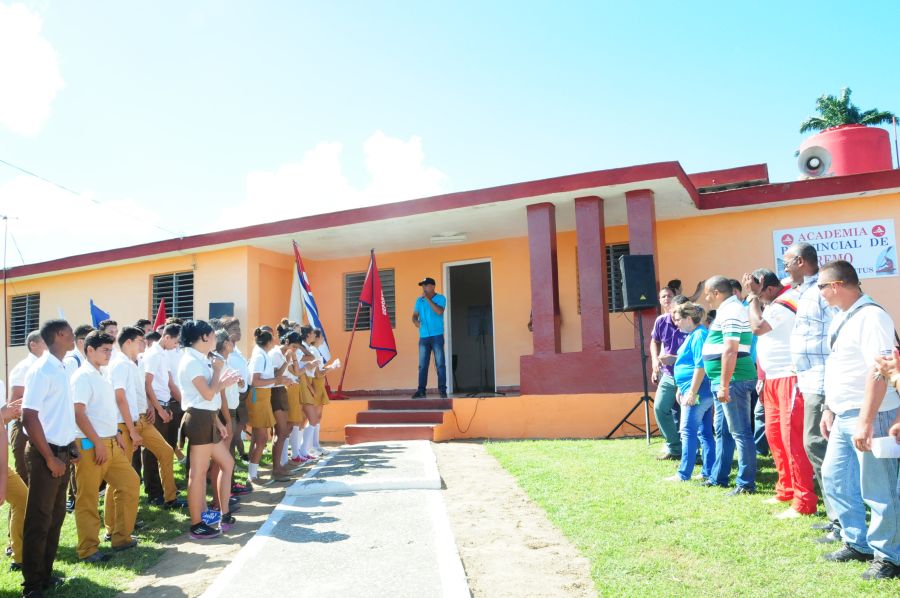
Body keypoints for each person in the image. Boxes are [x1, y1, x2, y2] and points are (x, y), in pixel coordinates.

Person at [817, 260, 900, 580]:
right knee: (835, 476)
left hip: (873, 414)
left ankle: (888, 554)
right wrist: (829, 407)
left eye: (822, 286)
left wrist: (865, 421)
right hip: (844, 412)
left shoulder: (872, 316)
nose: (820, 293)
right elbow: (840, 367)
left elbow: (879, 370)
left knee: (879, 488)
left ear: (836, 285)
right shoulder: (844, 317)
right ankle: (857, 541)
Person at [744, 269, 817, 519]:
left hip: (789, 377)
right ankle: (786, 488)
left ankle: (804, 500)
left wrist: (753, 297)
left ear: (769, 288)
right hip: (773, 379)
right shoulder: (775, 302)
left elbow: (757, 328)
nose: (756, 297)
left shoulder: (784, 302)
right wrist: (762, 376)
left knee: (791, 440)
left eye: (758, 289)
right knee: (775, 436)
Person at [783, 242, 841, 541]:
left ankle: (841, 519)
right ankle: (837, 517)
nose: (784, 269)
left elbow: (836, 333)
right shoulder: (805, 291)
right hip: (807, 379)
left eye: (787, 263)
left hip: (821, 380)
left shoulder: (821, 291)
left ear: (801, 261)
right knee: (816, 446)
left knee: (816, 444)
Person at [71, 331, 140, 563]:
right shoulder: (82, 376)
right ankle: (88, 550)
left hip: (111, 442)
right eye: (105, 350)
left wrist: (117, 433)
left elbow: (103, 411)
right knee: (88, 498)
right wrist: (99, 442)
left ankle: (121, 537)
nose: (110, 354)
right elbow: (78, 413)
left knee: (130, 483)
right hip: (91, 445)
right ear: (89, 350)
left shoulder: (102, 374)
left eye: (111, 350)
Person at [21, 319, 78, 596]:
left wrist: (71, 445)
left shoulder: (63, 367)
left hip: (62, 451)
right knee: (39, 519)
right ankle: (32, 584)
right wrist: (50, 458)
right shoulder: (42, 370)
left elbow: (61, 412)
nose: (74, 338)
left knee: (55, 517)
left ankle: (45, 575)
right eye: (70, 334)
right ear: (59, 334)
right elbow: (29, 418)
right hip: (47, 454)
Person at [177, 320, 240, 540]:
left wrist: (219, 423)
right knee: (198, 472)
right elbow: (207, 394)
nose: (215, 340)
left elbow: (209, 396)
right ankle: (196, 523)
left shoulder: (201, 359)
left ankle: (223, 514)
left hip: (207, 418)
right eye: (213, 336)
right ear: (204, 337)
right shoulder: (191, 362)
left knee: (227, 463)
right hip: (198, 419)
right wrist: (218, 375)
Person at [702, 276, 758, 495]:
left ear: (716, 292)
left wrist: (724, 385)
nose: (706, 299)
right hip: (724, 381)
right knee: (724, 431)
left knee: (741, 432)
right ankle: (719, 477)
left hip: (733, 381)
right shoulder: (727, 310)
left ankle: (745, 484)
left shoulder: (731, 310)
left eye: (707, 294)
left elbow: (730, 349)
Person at [664, 302, 715, 483]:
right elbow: (687, 363)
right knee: (704, 432)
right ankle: (707, 472)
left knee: (687, 431)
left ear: (688, 318)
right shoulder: (695, 334)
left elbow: (700, 365)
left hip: (699, 391)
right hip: (697, 390)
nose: (676, 324)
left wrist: (692, 392)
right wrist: (681, 387)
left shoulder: (699, 335)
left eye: (678, 320)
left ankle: (683, 474)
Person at [142, 323, 181, 504]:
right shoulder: (153, 354)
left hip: (165, 406)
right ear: (166, 337)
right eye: (175, 342)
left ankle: (167, 491)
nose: (176, 345)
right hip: (155, 408)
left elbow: (168, 382)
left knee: (166, 451)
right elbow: (147, 384)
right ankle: (154, 492)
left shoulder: (164, 354)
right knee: (151, 453)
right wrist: (159, 410)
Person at [650, 288, 688, 460]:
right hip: (668, 374)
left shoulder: (690, 325)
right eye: (672, 312)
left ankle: (693, 450)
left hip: (688, 376)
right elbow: (654, 341)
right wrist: (655, 362)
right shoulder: (661, 321)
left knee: (688, 414)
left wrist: (674, 358)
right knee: (659, 408)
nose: (674, 316)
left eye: (678, 313)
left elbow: (696, 353)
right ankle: (674, 447)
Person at [247, 328, 285, 485]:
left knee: (260, 437)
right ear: (269, 342)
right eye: (273, 340)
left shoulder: (262, 355)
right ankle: (252, 475)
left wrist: (278, 380)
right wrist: (277, 381)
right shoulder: (259, 356)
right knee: (261, 438)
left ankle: (253, 473)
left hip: (263, 397)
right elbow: (255, 381)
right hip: (258, 397)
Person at [9, 331, 47, 484]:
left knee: (40, 479)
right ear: (33, 344)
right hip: (25, 426)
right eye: (45, 342)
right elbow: (15, 400)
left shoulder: (45, 366)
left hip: (42, 427)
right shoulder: (24, 367)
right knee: (24, 479)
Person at [411, 277, 447, 399]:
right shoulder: (418, 301)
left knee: (440, 364)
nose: (424, 288)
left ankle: (442, 390)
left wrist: (427, 299)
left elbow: (439, 311)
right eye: (423, 286)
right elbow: (414, 315)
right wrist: (415, 321)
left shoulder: (441, 298)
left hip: (437, 336)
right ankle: (421, 390)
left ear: (433, 286)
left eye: (426, 285)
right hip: (424, 337)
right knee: (422, 365)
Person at [222, 318, 251, 462]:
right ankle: (230, 462)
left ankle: (234, 459)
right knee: (232, 433)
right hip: (231, 397)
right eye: (234, 330)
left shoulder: (236, 351)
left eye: (238, 329)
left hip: (241, 395)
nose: (238, 332)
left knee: (237, 431)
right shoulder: (226, 354)